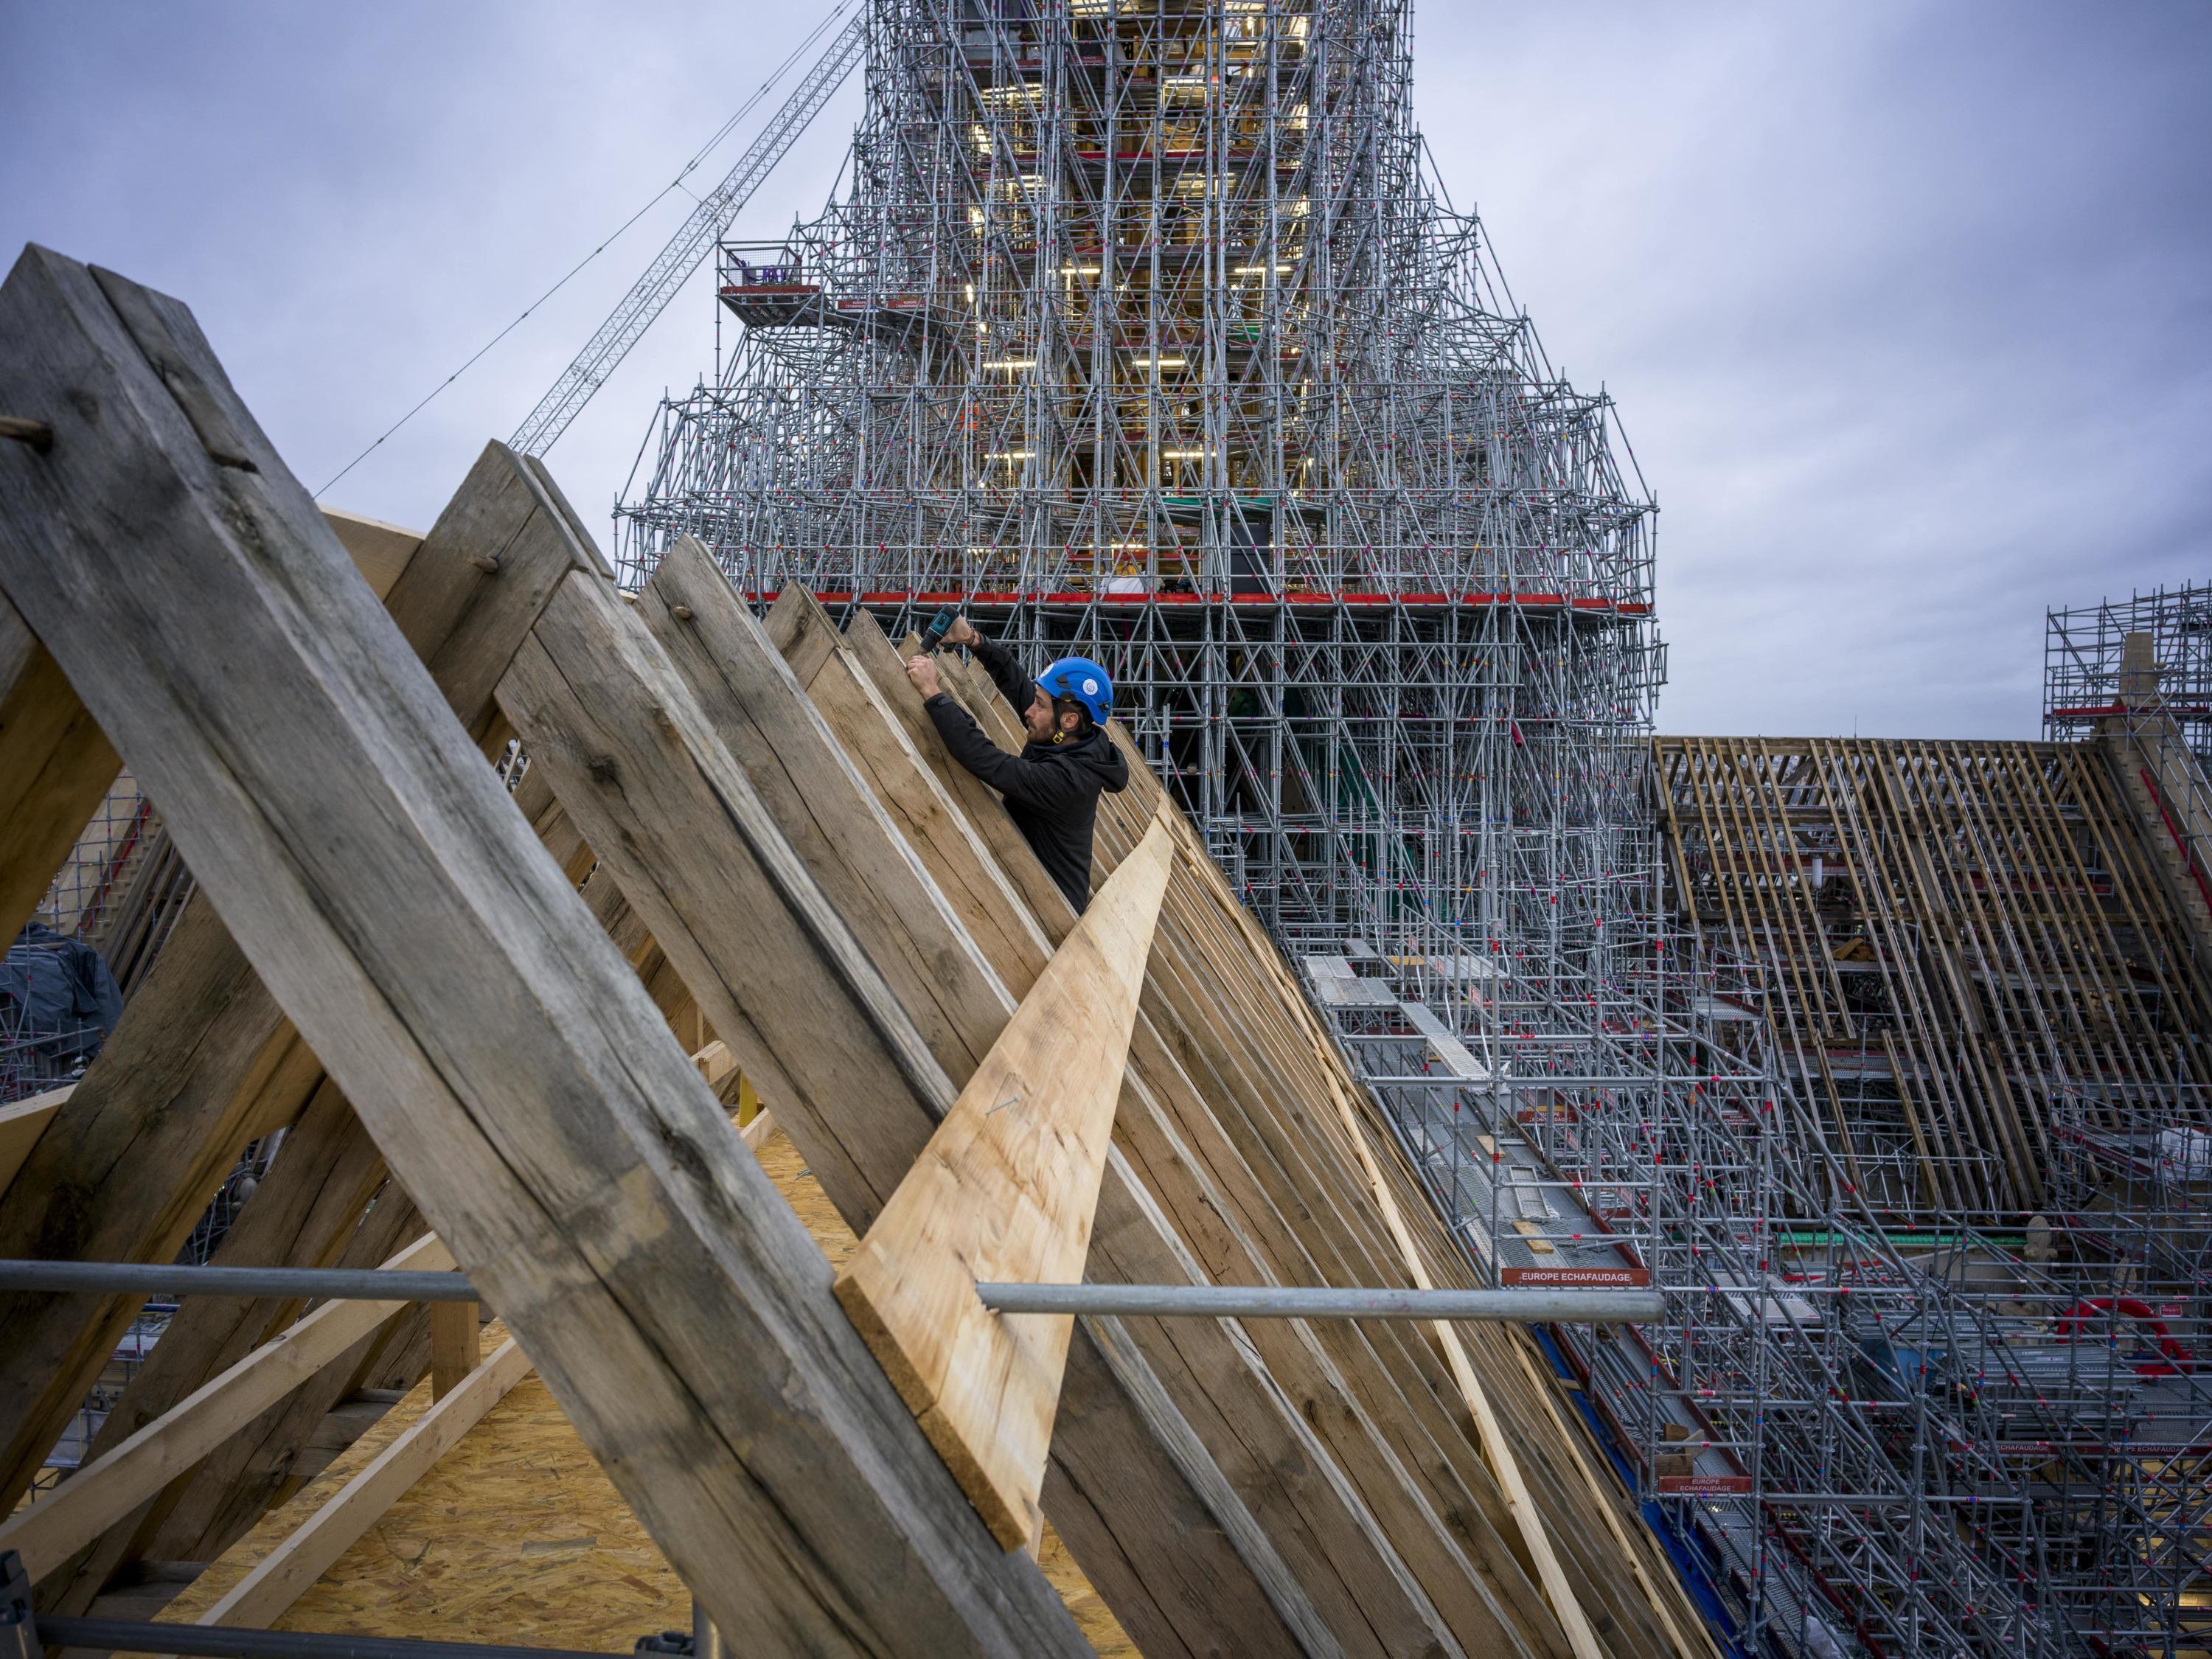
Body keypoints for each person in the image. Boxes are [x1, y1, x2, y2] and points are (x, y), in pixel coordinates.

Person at [905, 617, 1127, 913]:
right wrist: (973, 639)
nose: (1029, 710)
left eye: (1040, 705)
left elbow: (985, 759)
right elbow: (1016, 681)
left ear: (1069, 719)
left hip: (1050, 917)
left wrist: (932, 693)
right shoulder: (1072, 738)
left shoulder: (1069, 781)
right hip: (1027, 886)